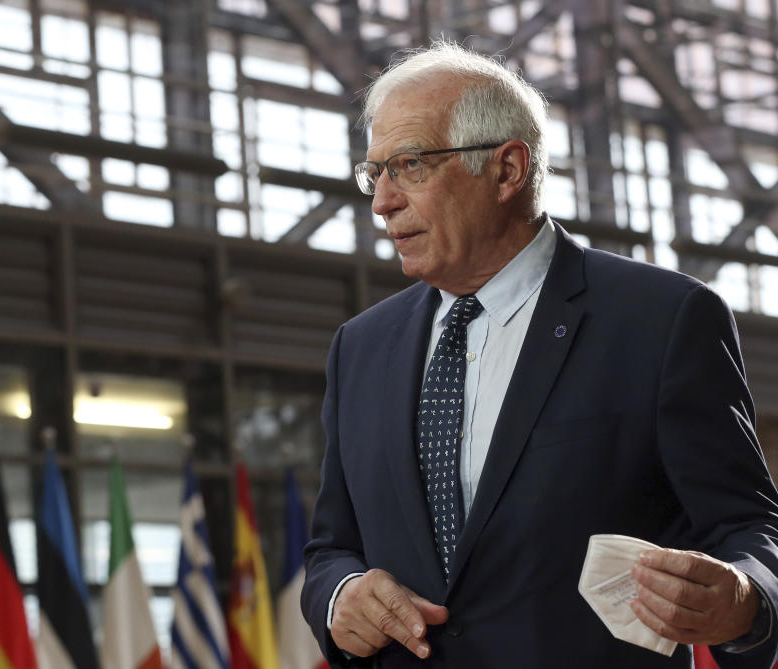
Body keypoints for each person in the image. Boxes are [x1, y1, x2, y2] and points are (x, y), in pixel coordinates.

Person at [300, 40, 778, 668]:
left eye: (410, 165)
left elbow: (751, 531)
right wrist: (340, 597)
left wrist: (745, 597)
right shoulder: (359, 347)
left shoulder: (662, 320)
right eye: (375, 172)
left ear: (507, 170)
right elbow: (331, 548)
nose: (382, 201)